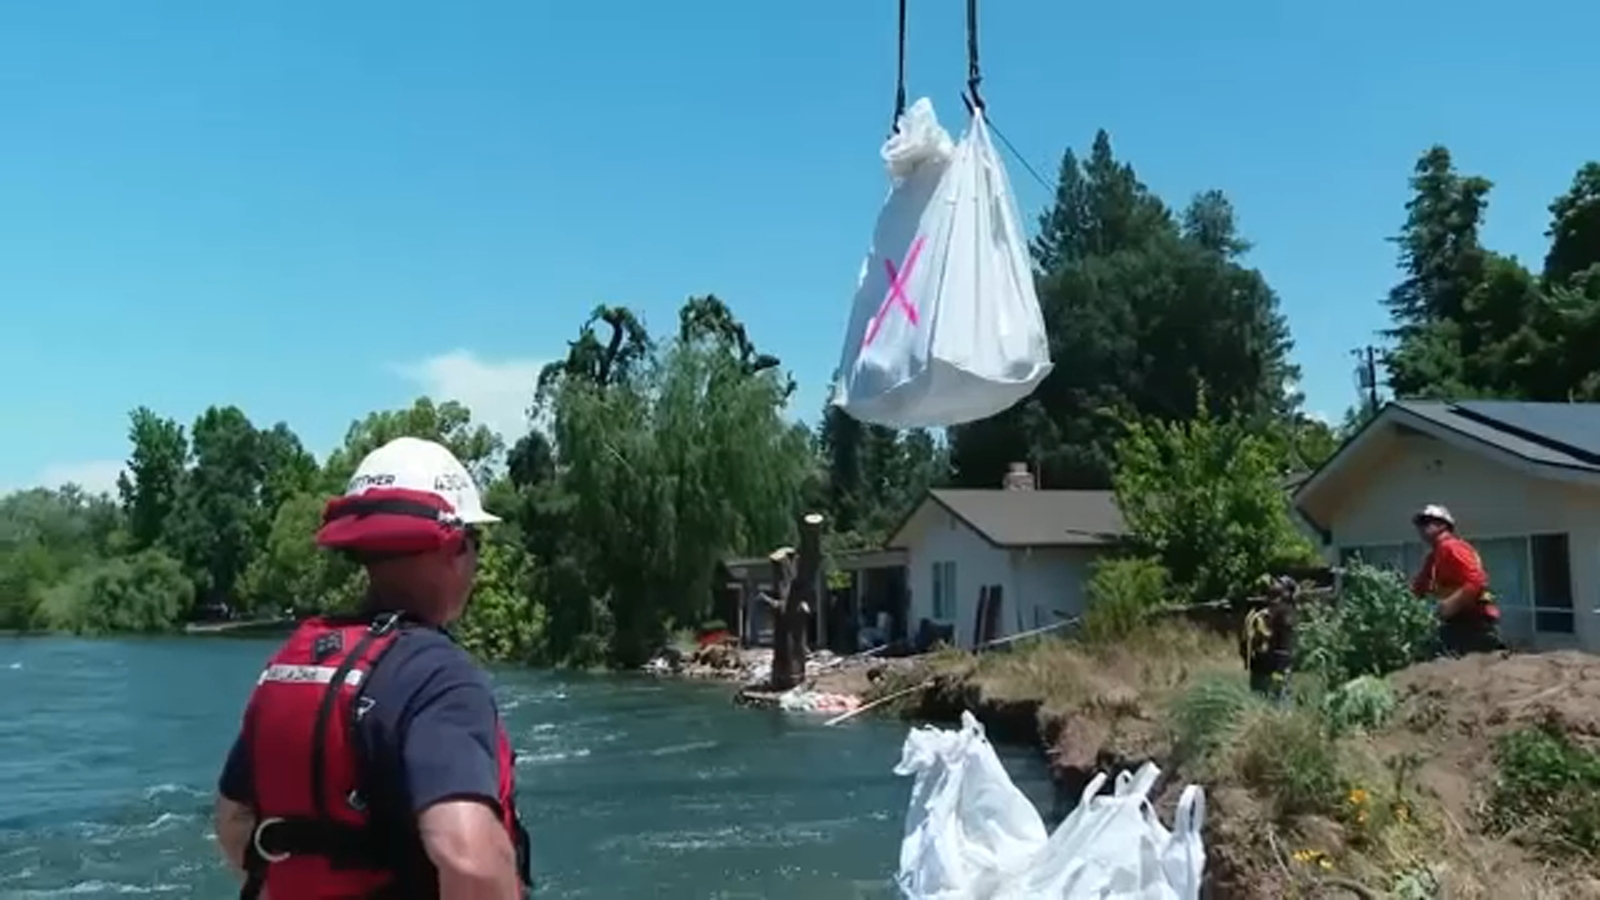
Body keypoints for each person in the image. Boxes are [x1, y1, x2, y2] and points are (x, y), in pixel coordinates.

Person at [211, 437, 533, 900]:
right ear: (456, 545)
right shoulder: (437, 675)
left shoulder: (296, 663)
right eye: (475, 543)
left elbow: (232, 823)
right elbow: (470, 861)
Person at [1409, 503, 1504, 657]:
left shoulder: (1453, 547)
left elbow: (1477, 580)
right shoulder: (1433, 557)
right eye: (1419, 523)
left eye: (1426, 522)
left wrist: (1451, 604)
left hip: (1475, 620)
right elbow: (1419, 587)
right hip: (1456, 621)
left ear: (1442, 525)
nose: (1421, 528)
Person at [1240, 575, 1297, 702]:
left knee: (1266, 702)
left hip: (1266, 665)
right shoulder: (1279, 611)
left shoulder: (1266, 612)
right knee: (1274, 701)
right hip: (1270, 665)